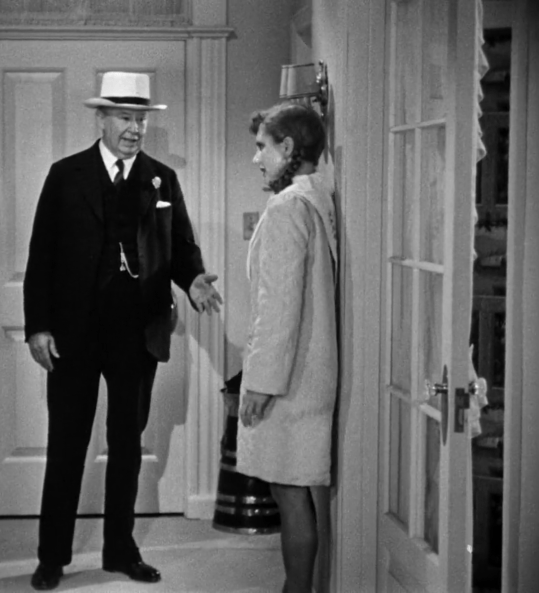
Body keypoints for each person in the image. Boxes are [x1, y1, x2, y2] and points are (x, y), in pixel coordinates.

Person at [23, 71, 223, 590]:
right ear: (102, 119)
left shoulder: (161, 179)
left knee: (127, 447)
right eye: (124, 118)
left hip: (137, 332)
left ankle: (119, 550)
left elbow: (181, 246)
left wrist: (192, 280)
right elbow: (41, 255)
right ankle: (52, 557)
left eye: (140, 119)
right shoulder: (65, 175)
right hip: (73, 333)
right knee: (67, 445)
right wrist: (38, 326)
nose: (134, 128)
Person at [237, 102, 338, 593]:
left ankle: (296, 590)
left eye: (263, 147)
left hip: (292, 376)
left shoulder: (287, 208)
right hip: (308, 368)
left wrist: (260, 384)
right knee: (294, 487)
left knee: (289, 489)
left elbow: (278, 305)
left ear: (289, 147)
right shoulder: (317, 199)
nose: (257, 158)